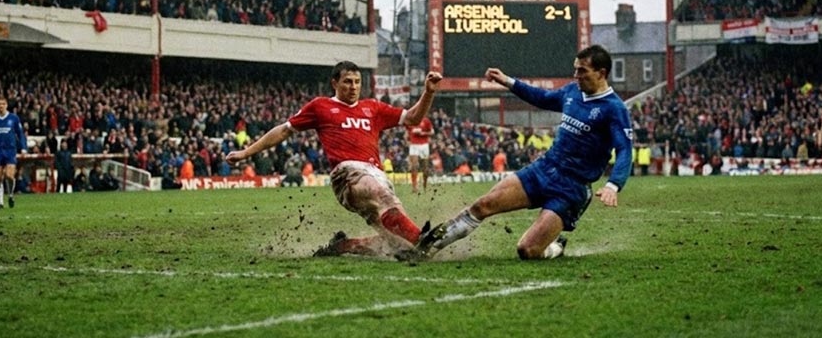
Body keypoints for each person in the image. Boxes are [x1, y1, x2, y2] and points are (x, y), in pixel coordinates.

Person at [416, 44, 633, 260]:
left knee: (528, 250)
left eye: (582, 70)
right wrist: (508, 81)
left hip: (571, 187)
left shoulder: (614, 109)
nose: (576, 75)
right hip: (544, 168)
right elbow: (542, 97)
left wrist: (613, 185)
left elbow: (624, 149)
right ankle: (425, 249)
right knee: (483, 205)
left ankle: (555, 247)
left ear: (601, 73)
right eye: (575, 69)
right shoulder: (572, 91)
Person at [227, 60, 442, 258]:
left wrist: (428, 93)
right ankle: (423, 240)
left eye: (357, 82)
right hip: (347, 175)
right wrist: (246, 153)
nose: (353, 86)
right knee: (382, 197)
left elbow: (413, 118)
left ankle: (343, 246)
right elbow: (284, 131)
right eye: (347, 81)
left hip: (376, 175)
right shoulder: (321, 107)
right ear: (334, 83)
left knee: (395, 242)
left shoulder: (373, 108)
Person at [406, 115, 435, 193]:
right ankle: (414, 187)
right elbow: (407, 131)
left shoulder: (425, 120)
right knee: (414, 166)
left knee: (425, 167)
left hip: (424, 145)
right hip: (413, 145)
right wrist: (407, 140)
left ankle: (425, 185)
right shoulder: (411, 120)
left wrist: (423, 133)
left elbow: (432, 131)